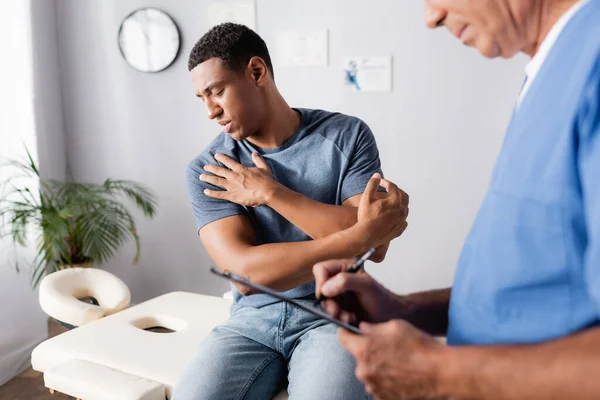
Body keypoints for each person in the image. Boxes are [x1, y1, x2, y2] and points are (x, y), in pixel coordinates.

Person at [314, 0, 600, 399]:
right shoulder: (553, 68)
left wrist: (439, 372)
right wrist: (403, 310)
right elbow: (540, 288)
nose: (431, 19)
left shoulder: (593, 63)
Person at [172, 23, 409, 399]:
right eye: (201, 98)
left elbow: (370, 241)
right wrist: (361, 237)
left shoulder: (347, 135)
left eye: (217, 92)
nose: (210, 111)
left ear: (256, 72)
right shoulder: (211, 167)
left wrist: (271, 193)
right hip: (253, 319)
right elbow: (246, 276)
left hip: (336, 312)